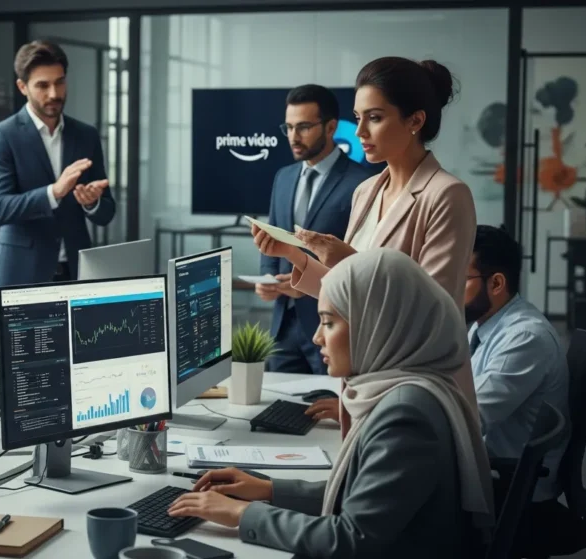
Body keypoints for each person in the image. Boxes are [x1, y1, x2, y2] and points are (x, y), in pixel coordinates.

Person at [168, 248, 493, 558]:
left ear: (375, 325)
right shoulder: (405, 390)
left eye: (329, 322)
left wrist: (242, 513)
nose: (317, 338)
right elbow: (362, 495)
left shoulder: (405, 415)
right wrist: (268, 489)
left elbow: (350, 539)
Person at [253, 57, 479, 414]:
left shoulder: (447, 195)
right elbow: (346, 292)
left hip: (414, 389)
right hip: (365, 378)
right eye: (358, 119)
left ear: (415, 121)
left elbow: (433, 315)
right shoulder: (367, 191)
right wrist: (296, 255)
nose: (359, 133)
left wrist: (348, 260)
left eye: (374, 118)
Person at [465, 225, 579, 555]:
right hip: (491, 473)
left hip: (511, 490)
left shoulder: (524, 338)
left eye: (459, 276)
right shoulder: (484, 326)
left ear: (496, 283)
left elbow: (471, 418)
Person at [0, 39, 116, 289]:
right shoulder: (3, 135)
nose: (54, 94)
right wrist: (54, 192)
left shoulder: (86, 135)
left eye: (60, 82)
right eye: (42, 85)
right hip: (21, 274)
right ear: (22, 87)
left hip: (76, 273)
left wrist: (92, 203)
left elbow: (107, 212)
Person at [259, 84, 371, 375]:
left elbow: (363, 260)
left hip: (333, 325)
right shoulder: (283, 178)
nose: (294, 137)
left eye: (304, 127)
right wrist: (268, 281)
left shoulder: (362, 183)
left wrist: (305, 286)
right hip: (283, 326)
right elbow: (271, 240)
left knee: (328, 412)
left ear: (331, 127)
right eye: (289, 127)